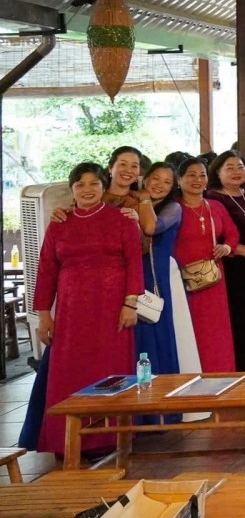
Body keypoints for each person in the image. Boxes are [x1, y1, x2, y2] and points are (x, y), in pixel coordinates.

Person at [31, 162, 143, 456]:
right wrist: (44, 315)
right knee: (68, 372)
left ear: (104, 187)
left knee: (110, 370)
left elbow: (134, 262)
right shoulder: (59, 223)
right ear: (72, 190)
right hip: (70, 312)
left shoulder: (122, 220)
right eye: (80, 184)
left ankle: (108, 439)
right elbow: (46, 271)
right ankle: (64, 439)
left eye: (93, 183)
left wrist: (130, 303)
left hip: (111, 309)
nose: (87, 189)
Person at [174, 157, 239, 371]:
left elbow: (232, 234)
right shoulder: (173, 209)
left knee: (216, 330)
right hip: (183, 279)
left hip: (213, 277)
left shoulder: (215, 206)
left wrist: (227, 248)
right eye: (191, 175)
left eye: (202, 175)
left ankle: (221, 373)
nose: (197, 179)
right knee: (191, 327)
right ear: (179, 179)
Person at [134, 163, 193, 380]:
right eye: (156, 179)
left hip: (158, 273)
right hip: (133, 270)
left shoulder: (173, 208)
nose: (160, 185)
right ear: (146, 178)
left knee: (158, 326)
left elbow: (151, 228)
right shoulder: (132, 201)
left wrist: (144, 198)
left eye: (167, 182)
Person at [206, 151, 245, 371]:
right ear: (217, 172)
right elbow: (214, 236)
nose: (236, 172)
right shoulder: (213, 198)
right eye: (229, 168)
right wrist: (239, 250)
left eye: (240, 167)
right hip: (230, 266)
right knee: (235, 319)